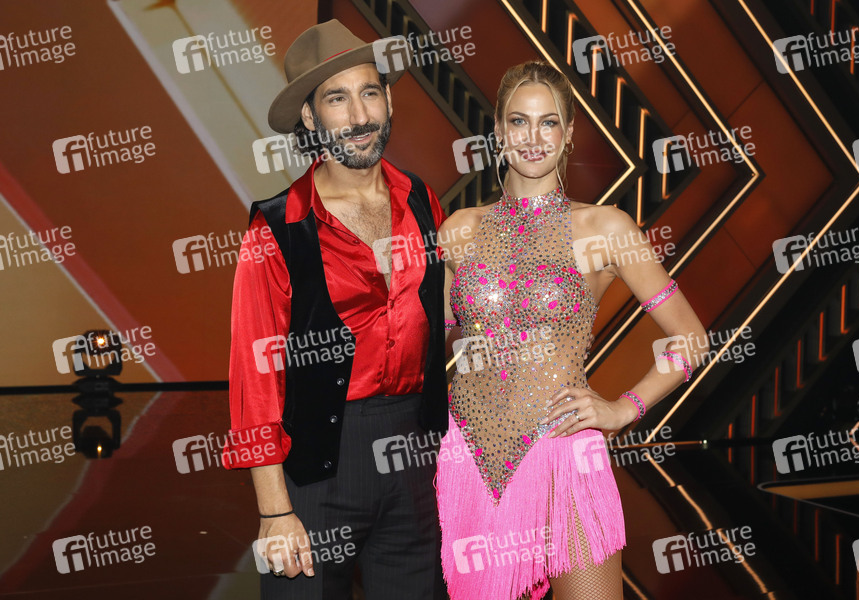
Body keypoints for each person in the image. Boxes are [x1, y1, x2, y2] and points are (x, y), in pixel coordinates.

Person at [435, 60, 708, 600]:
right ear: (498, 131)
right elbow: (427, 347)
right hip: (471, 459)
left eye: (548, 123)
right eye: (519, 122)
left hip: (564, 453)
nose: (533, 138)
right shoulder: (459, 232)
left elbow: (691, 339)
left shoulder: (605, 227)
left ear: (569, 134)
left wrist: (623, 409)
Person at [221, 19, 449, 600]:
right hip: (318, 467)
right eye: (337, 98)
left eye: (370, 92)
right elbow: (255, 377)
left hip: (417, 459)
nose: (360, 115)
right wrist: (275, 511)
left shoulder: (423, 202)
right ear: (310, 116)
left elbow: (450, 318)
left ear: (389, 100)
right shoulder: (277, 226)